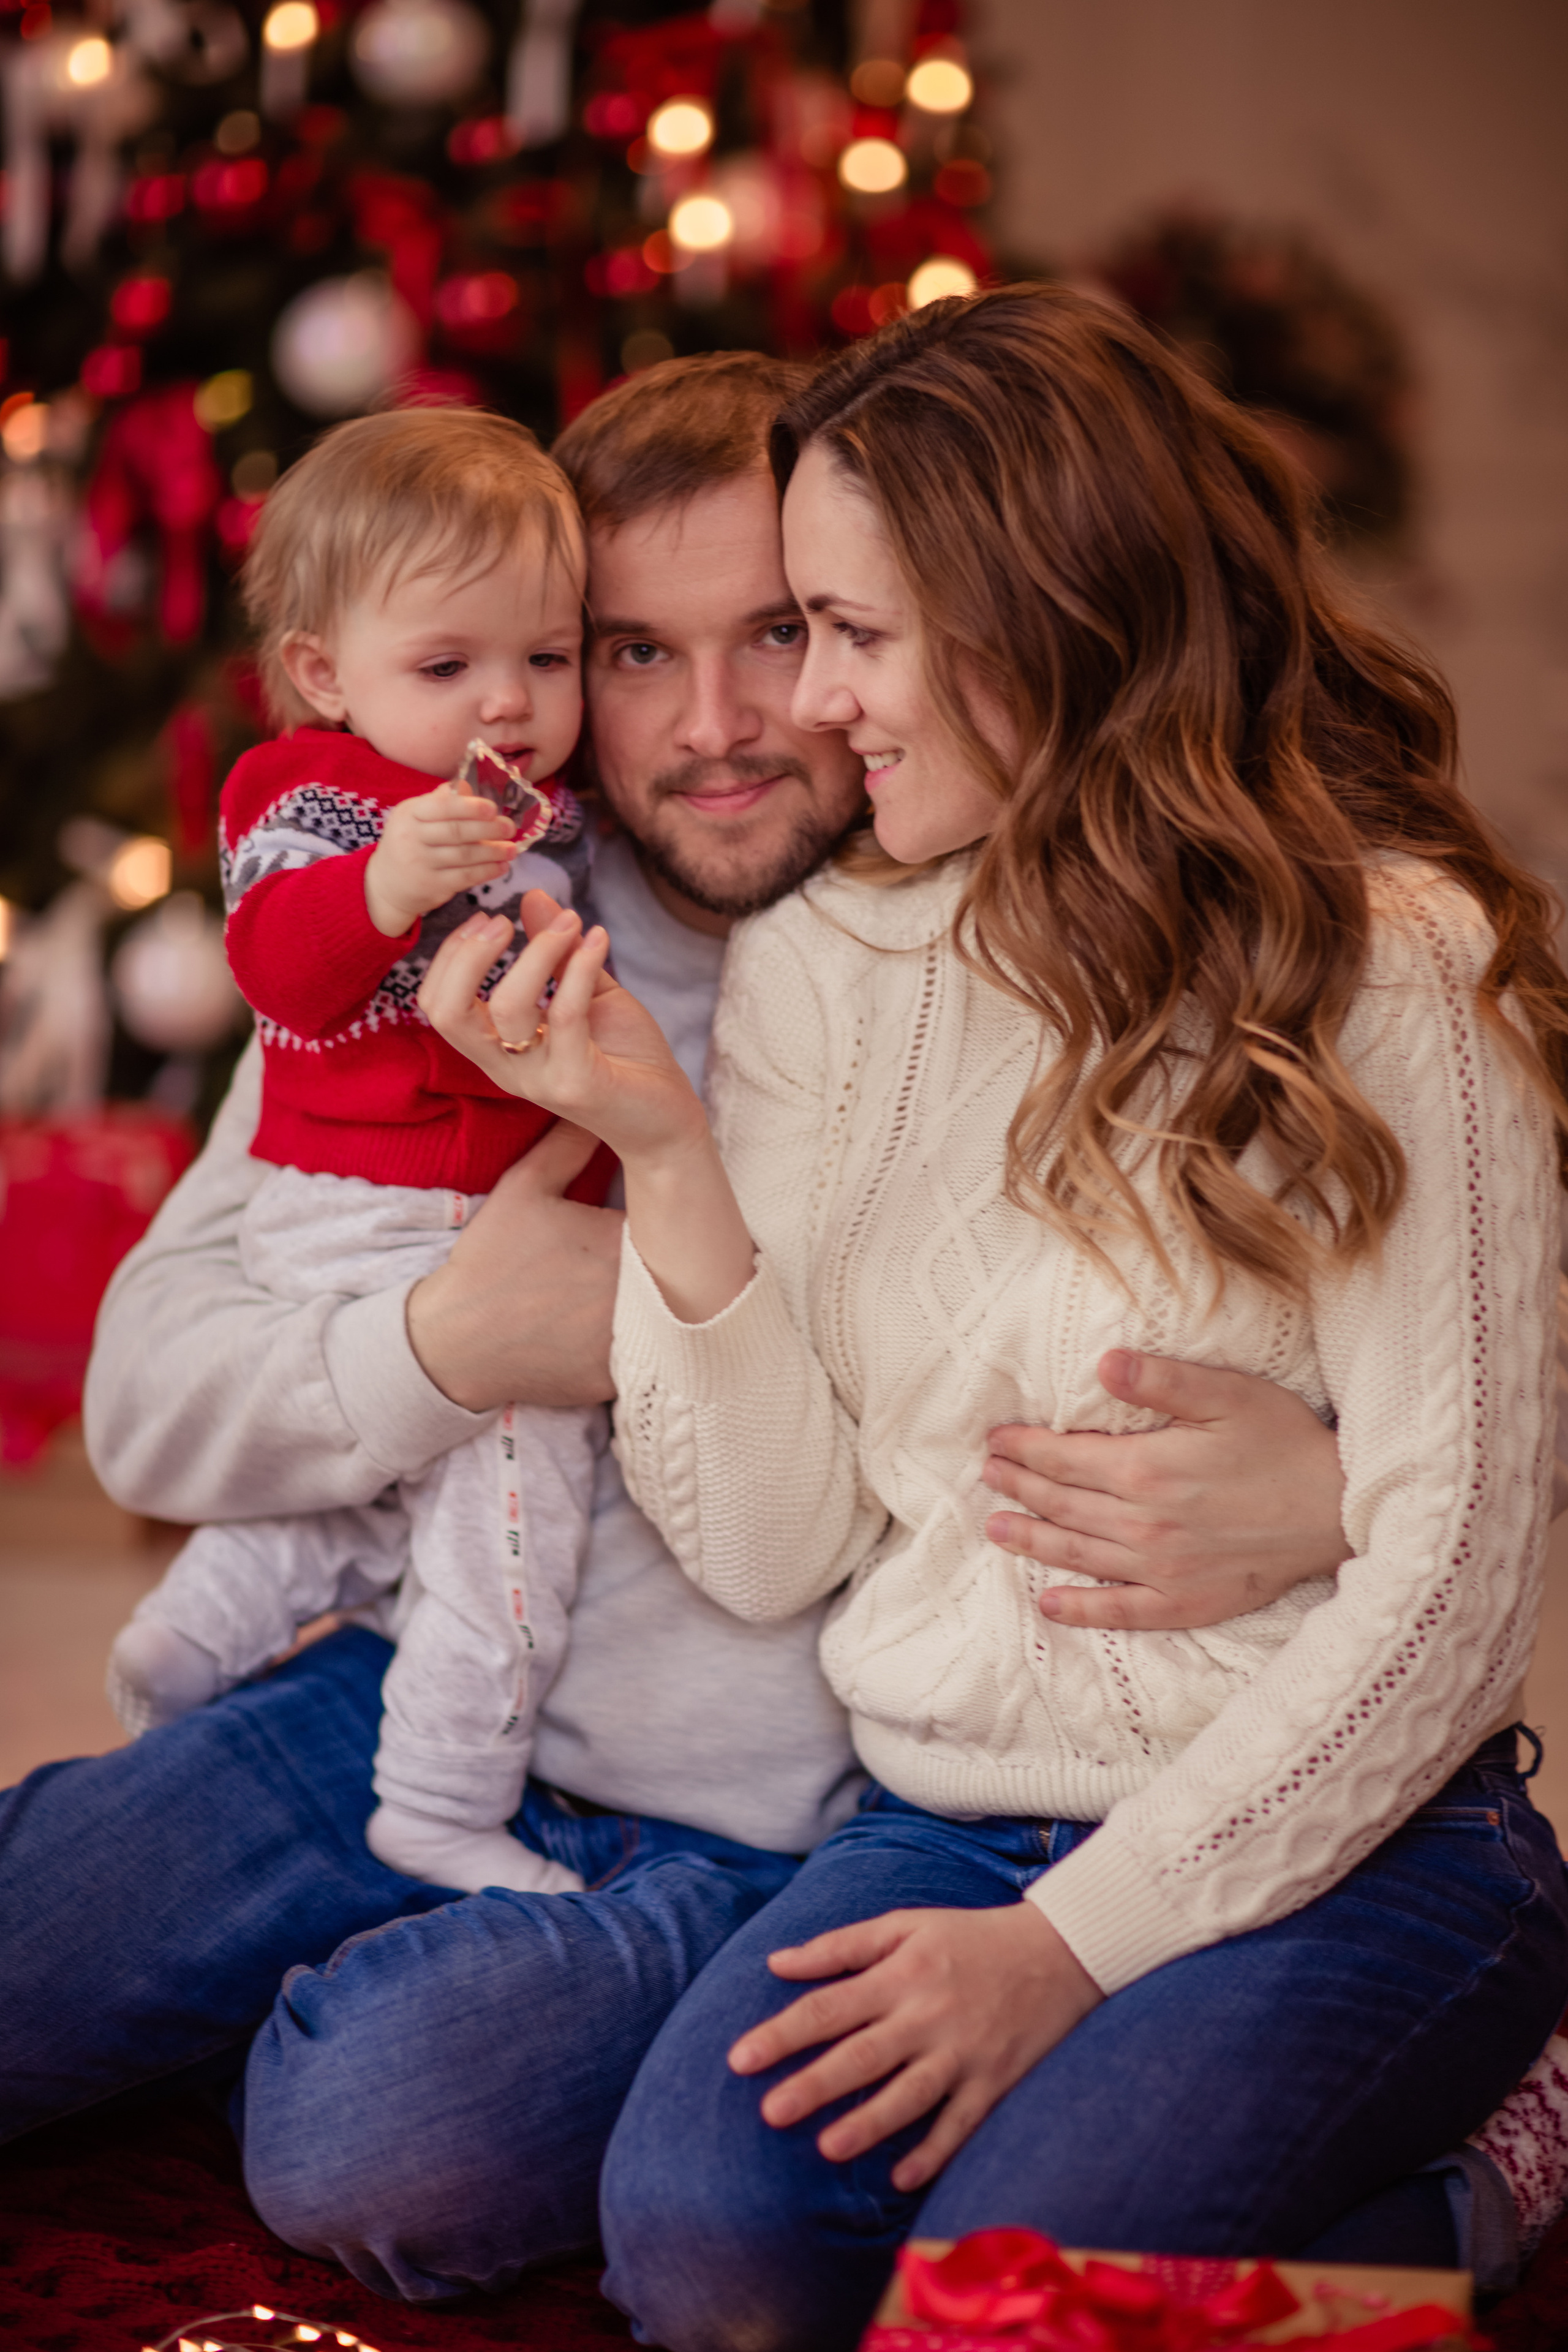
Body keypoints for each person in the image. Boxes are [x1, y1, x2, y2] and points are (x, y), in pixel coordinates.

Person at [0, 351, 1548, 2306]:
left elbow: (1444, 1399)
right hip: (419, 1677)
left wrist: (1341, 1491)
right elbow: (147, 1407)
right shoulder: (447, 930)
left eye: (801, 630)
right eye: (635, 654)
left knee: (386, 2133)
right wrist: (454, 1339)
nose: (738, 721)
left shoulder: (1067, 947)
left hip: (769, 1812)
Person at [419, 288, 1568, 2350]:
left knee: (1015, 2294)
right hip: (943, 1820)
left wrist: (1068, 1950)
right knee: (705, 2248)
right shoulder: (824, 966)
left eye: (847, 631)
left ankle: (1481, 2175)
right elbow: (772, 1544)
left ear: (1037, 613)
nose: (811, 703)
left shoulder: (1390, 959)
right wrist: (663, 1152)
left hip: (1367, 1835)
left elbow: (1462, 1579)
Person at [105, 407, 609, 1899]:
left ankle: (196, 1627)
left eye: (550, 656)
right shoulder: (308, 793)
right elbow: (275, 967)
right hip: (378, 1203)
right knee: (511, 1521)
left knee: (373, 1484)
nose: (508, 701)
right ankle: (439, 1797)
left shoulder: (557, 809)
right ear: (325, 673)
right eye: (447, 668)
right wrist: (379, 888)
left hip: (446, 1205)